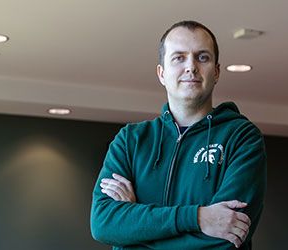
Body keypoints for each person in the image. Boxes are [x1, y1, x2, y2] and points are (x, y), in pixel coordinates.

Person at [90, 20, 267, 250]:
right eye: (179, 57)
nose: (191, 67)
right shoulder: (130, 140)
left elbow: (226, 239)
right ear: (161, 73)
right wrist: (198, 218)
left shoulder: (242, 137)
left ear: (216, 72)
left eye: (202, 57)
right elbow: (103, 224)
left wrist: (133, 230)